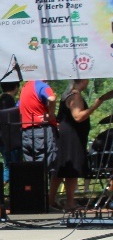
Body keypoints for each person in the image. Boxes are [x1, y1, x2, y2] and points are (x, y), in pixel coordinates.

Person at [51, 79, 113, 212]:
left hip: (66, 135)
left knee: (61, 170)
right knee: (71, 170)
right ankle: (70, 202)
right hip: (72, 136)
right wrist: (96, 105)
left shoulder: (67, 94)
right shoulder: (75, 96)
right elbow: (78, 116)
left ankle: (51, 200)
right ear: (82, 81)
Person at [18, 78, 58, 169]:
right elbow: (52, 98)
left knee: (31, 167)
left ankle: (35, 178)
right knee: (44, 165)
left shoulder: (25, 87)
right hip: (40, 131)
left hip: (26, 133)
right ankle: (42, 178)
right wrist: (51, 114)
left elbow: (18, 105)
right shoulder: (41, 85)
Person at [0, 81, 22, 183]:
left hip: (2, 138)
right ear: (15, 87)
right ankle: (3, 187)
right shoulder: (8, 100)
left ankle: (0, 188)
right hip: (9, 139)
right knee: (13, 167)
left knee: (8, 166)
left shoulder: (2, 99)